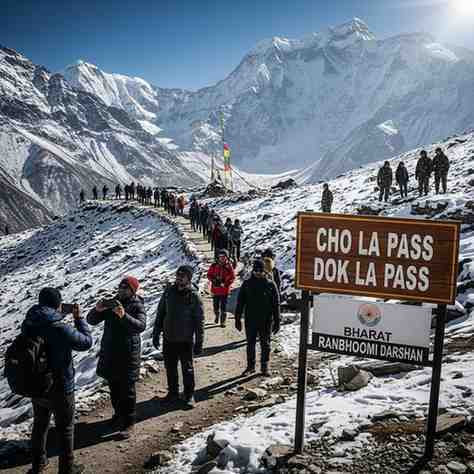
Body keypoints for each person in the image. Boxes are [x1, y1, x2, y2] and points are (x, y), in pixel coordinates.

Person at [24, 288, 92, 474]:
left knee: (40, 424)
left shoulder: (30, 322)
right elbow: (85, 342)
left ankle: (38, 464)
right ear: (57, 304)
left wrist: (57, 314)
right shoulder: (59, 328)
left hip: (38, 384)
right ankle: (67, 468)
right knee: (66, 429)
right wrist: (78, 319)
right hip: (60, 385)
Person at [87, 277, 146, 440]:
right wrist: (97, 310)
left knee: (127, 391)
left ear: (132, 291)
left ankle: (129, 422)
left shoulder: (137, 305)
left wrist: (123, 315)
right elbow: (91, 320)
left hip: (128, 354)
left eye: (125, 288)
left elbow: (140, 326)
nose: (121, 290)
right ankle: (118, 414)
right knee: (113, 387)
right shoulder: (112, 303)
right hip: (111, 352)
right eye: (120, 287)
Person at [153, 265, 204, 408]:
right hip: (169, 337)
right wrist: (156, 332)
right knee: (170, 367)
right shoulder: (169, 292)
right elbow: (161, 312)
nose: (179, 278)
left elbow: (199, 321)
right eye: (178, 275)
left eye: (183, 276)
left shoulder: (194, 296)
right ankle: (173, 393)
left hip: (185, 339)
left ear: (189, 278)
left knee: (187, 369)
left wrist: (199, 342)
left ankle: (189, 395)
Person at [235, 259, 280, 377]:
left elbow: (276, 304)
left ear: (264, 271)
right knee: (250, 343)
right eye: (256, 270)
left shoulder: (270, 284)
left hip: (266, 320)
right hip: (250, 319)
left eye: (260, 271)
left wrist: (277, 320)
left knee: (265, 344)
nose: (258, 273)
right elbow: (240, 302)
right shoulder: (247, 284)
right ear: (253, 271)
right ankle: (250, 367)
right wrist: (237, 318)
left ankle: (265, 366)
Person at [207, 249, 235, 327]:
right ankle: (217, 315)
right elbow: (209, 275)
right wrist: (213, 280)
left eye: (223, 256)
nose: (222, 258)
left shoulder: (229, 266)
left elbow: (232, 277)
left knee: (223, 307)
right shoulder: (214, 265)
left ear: (226, 257)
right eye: (220, 256)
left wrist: (226, 284)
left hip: (225, 290)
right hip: (215, 290)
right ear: (218, 257)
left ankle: (223, 321)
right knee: (215, 306)